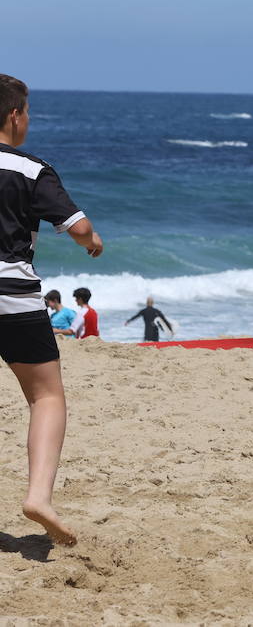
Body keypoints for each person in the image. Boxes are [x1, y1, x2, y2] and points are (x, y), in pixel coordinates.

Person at [0, 74, 104, 546]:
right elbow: (78, 226)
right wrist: (92, 241)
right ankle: (38, 496)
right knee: (46, 397)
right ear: (15, 115)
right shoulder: (30, 169)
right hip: (13, 297)